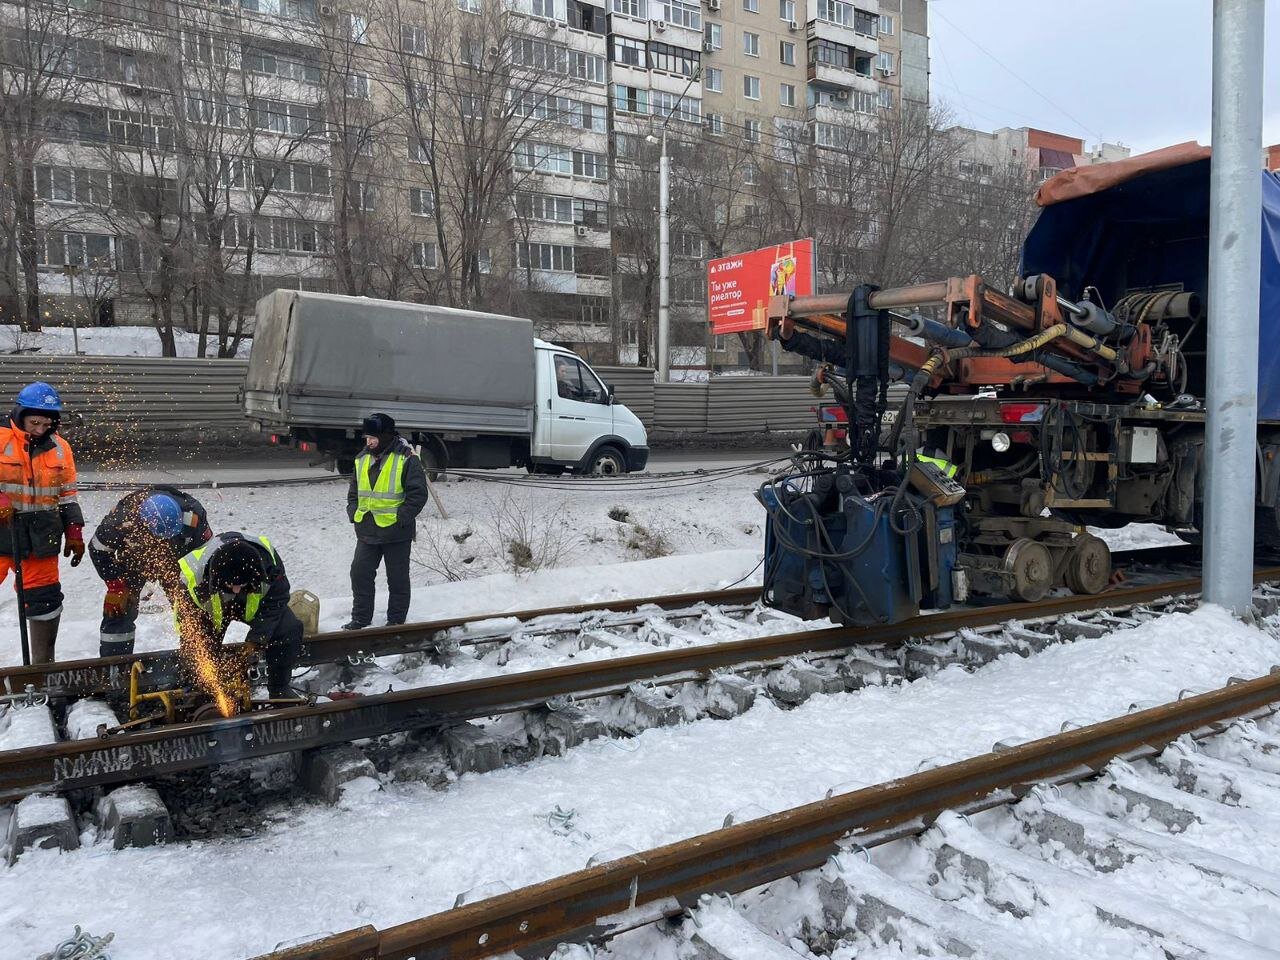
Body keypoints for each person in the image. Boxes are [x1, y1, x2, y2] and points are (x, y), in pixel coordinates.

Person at [0, 382, 84, 663]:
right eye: (34, 421)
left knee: (45, 602)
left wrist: (73, 530)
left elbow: (67, 493)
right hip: (2, 532)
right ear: (20, 414)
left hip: (41, 537)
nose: (40, 428)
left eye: (47, 422)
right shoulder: (1, 438)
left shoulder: (61, 448)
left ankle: (43, 668)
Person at [175, 531, 302, 699]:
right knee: (198, 649)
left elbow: (277, 601)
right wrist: (202, 655)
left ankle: (279, 688)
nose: (236, 590)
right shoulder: (192, 576)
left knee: (289, 628)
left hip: (253, 605)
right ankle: (202, 692)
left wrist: (256, 640)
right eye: (232, 585)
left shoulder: (269, 563)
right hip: (210, 612)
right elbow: (188, 624)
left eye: (241, 584)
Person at [89, 486, 213, 657]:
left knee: (190, 610)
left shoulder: (193, 516)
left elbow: (206, 556)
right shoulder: (121, 521)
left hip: (177, 561)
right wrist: (115, 585)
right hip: (134, 560)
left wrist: (199, 589)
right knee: (119, 609)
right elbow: (98, 550)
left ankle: (198, 658)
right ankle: (115, 664)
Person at [343, 413, 427, 629]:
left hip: (396, 532)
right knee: (359, 573)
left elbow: (417, 494)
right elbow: (354, 492)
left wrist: (401, 518)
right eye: (366, 438)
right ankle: (360, 618)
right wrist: (353, 512)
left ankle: (396, 621)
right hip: (367, 530)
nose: (368, 442)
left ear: (386, 437)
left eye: (373, 438)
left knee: (397, 579)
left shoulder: (407, 458)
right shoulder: (361, 458)